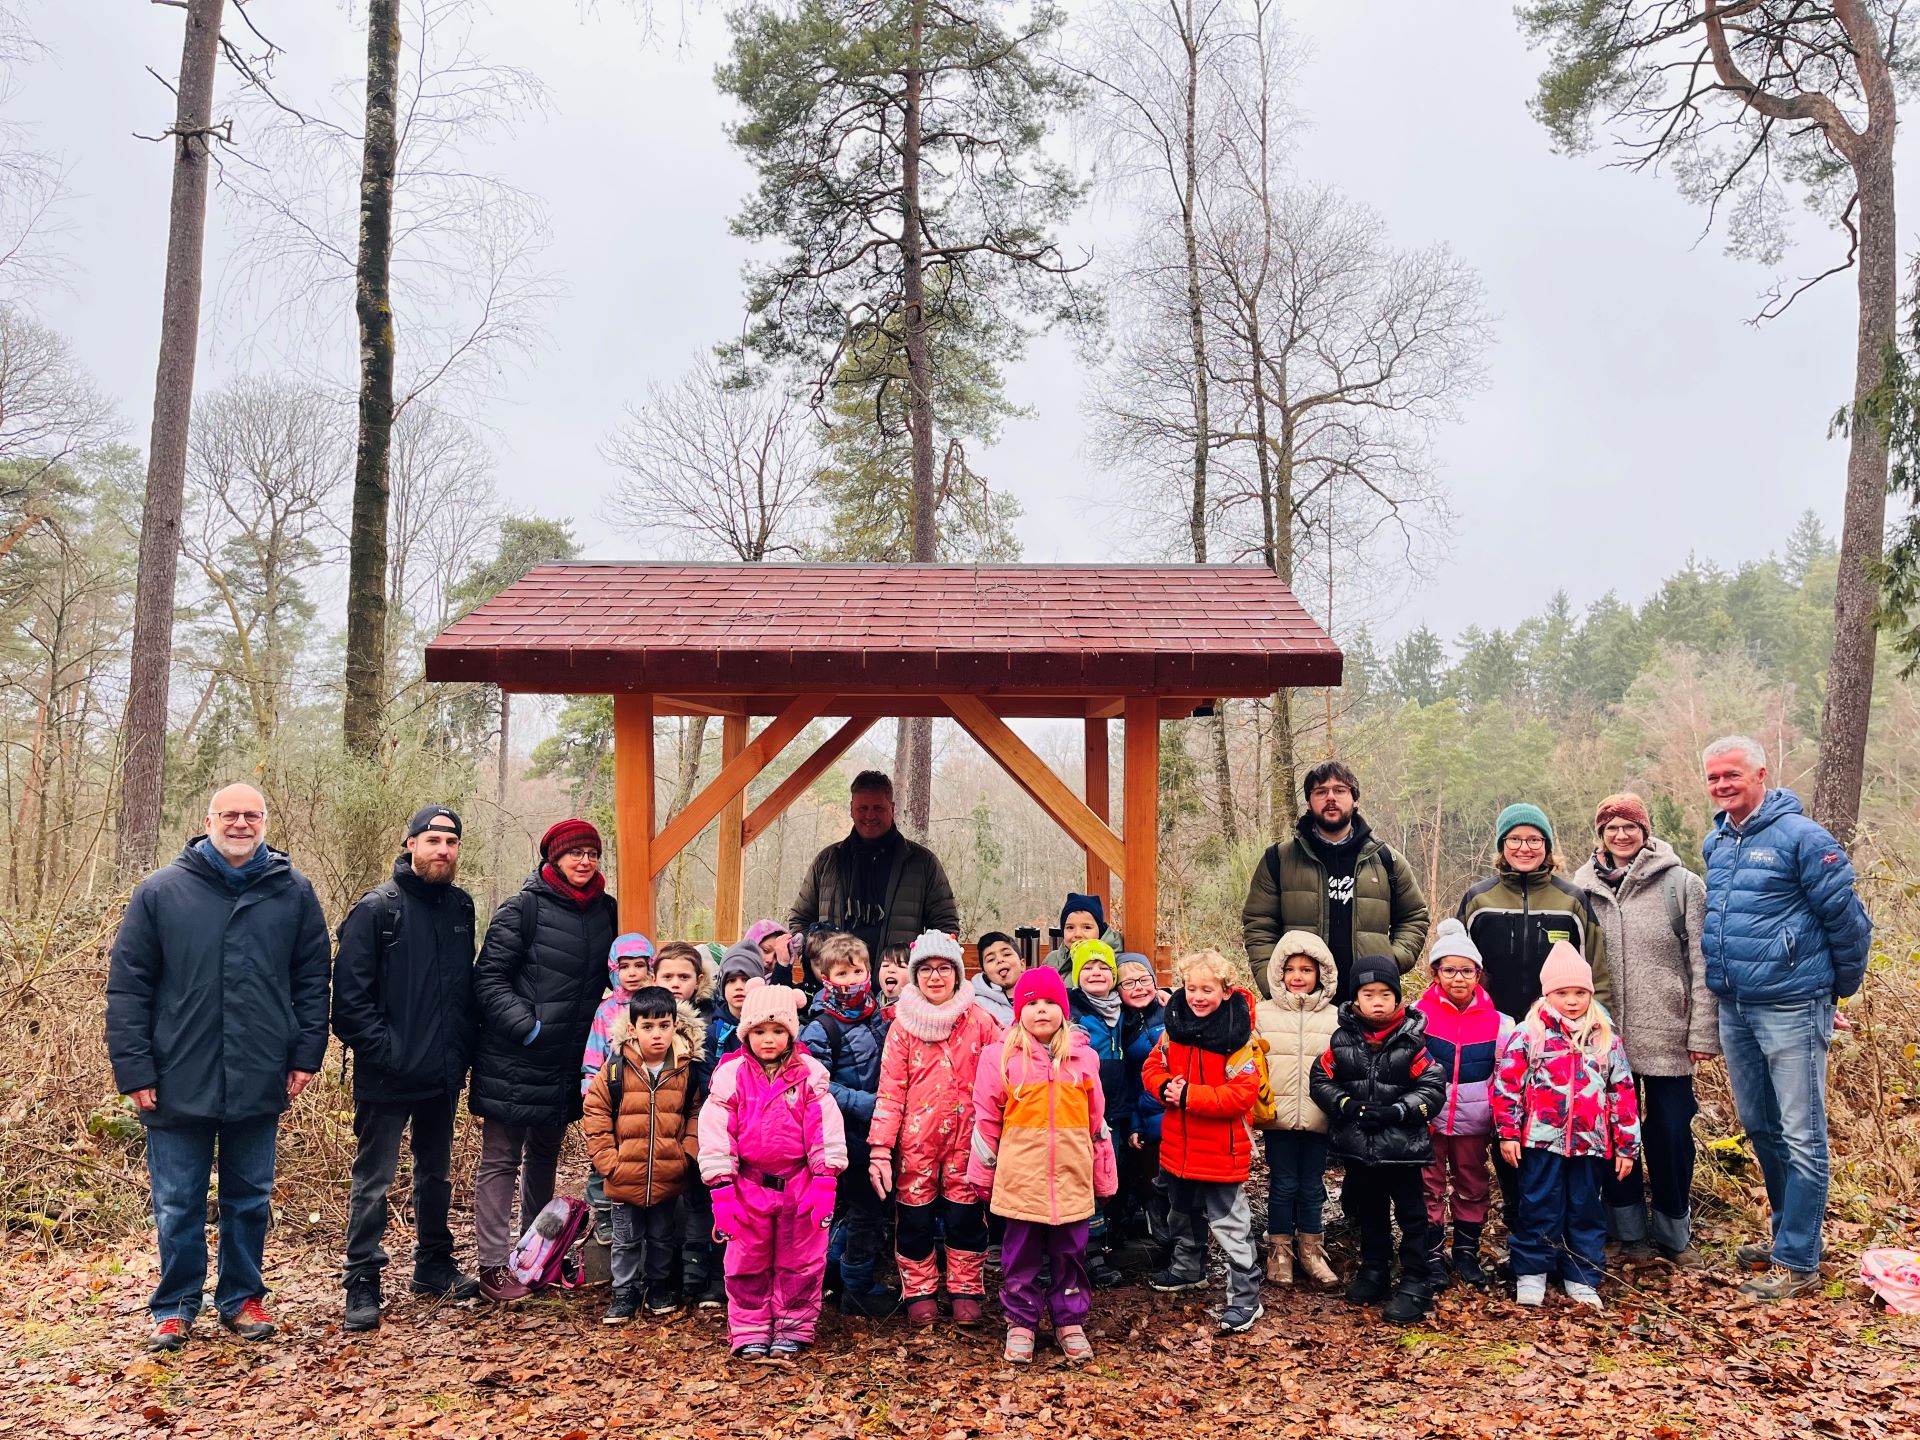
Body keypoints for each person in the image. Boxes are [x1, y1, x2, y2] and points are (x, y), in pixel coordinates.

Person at [107, 783, 331, 1352]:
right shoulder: (161, 892)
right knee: (177, 1200)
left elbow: (312, 982)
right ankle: (175, 1306)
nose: (239, 824)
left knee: (250, 1198)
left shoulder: (293, 891)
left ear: (265, 821)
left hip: (260, 1071)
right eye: (229, 814)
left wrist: (305, 1055)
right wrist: (134, 1070)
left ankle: (241, 1298)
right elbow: (129, 988)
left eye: (251, 815)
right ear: (207, 820)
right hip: (177, 1072)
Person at [1700, 735, 1872, 1301]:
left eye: (1732, 775)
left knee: (1802, 1134)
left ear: (1760, 774)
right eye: (1713, 777)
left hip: (1793, 1007)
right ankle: (1787, 1234)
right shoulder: (1716, 843)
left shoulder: (1803, 837)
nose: (1722, 785)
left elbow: (1849, 923)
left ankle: (1799, 1262)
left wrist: (1834, 994)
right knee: (1761, 1128)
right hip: (1737, 1008)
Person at [331, 805, 482, 1334]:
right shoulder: (377, 909)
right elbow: (348, 1003)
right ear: (410, 843)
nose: (443, 849)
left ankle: (433, 1263)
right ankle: (362, 1280)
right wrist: (389, 1052)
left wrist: (459, 1051)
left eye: (452, 841)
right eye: (433, 839)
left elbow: (464, 992)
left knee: (436, 1173)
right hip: (388, 1075)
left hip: (442, 1073)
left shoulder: (461, 908)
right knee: (375, 1180)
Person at [469, 818, 618, 1303]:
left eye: (592, 854)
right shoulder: (522, 908)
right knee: (501, 1158)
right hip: (516, 1055)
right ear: (553, 859)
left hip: (568, 1058)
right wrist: (529, 1027)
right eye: (575, 854)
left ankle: (535, 1254)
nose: (584, 862)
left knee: (545, 1155)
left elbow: (621, 974)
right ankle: (492, 1265)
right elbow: (488, 979)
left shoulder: (606, 912)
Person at [1571, 793, 1717, 1264]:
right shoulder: (1581, 886)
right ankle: (1628, 1231)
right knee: (1614, 1131)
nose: (1620, 834)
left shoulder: (1681, 883)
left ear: (1645, 831)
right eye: (1610, 827)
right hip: (1604, 1035)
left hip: (1668, 1029)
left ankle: (1675, 1231)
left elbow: (1701, 959)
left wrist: (1702, 1031)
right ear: (1600, 834)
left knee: (1670, 1131)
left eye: (1629, 826)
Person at [1458, 801, 1612, 1221]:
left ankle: (1561, 1223)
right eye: (1515, 839)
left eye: (1533, 839)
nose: (1524, 847)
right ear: (1501, 845)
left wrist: (1600, 1031)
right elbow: (1457, 968)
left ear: (1547, 845)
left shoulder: (1572, 900)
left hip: (1563, 1039)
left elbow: (1596, 971)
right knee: (1505, 1122)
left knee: (1555, 1126)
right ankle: (1518, 1219)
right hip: (1494, 1035)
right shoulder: (1478, 900)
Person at [968, 966, 1119, 1365]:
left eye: (1051, 1002)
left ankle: (1069, 1320)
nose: (1041, 1010)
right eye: (1032, 1003)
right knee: (1020, 1254)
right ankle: (1021, 1320)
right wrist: (983, 1178)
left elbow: (1097, 1123)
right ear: (1019, 1010)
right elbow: (985, 1121)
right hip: (1021, 1177)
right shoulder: (1000, 1058)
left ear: (1063, 1009)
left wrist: (1102, 1176)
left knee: (1071, 1253)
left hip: (1071, 1175)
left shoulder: (1083, 1058)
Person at [699, 979, 847, 1359]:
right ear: (746, 1032)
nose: (768, 1039)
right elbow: (717, 1132)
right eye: (760, 1031)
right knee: (746, 1259)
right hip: (750, 1184)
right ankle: (749, 1328)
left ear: (791, 1032)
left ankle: (794, 1325)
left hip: (800, 1182)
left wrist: (825, 1181)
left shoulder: (809, 1074)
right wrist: (721, 1191)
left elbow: (825, 1129)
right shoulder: (731, 1075)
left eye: (778, 1031)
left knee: (802, 1260)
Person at [1492, 943, 1642, 1310]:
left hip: (1591, 1143)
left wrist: (1626, 1147)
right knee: (1538, 1203)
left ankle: (1582, 1273)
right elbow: (1507, 1085)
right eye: (1562, 993)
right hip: (1541, 1141)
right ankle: (1531, 1271)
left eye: (1579, 993)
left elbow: (1622, 1092)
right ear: (1548, 994)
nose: (1572, 1001)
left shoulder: (1605, 1037)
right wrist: (1508, 1133)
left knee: (1585, 1208)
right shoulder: (1530, 1034)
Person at [866, 930, 1003, 1327]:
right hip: (916, 1145)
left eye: (944, 969)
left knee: (964, 1218)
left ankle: (965, 1289)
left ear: (958, 974)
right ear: (915, 975)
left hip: (968, 1140)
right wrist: (880, 1149)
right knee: (915, 1221)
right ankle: (920, 1290)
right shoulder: (903, 1026)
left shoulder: (979, 1021)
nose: (936, 977)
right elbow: (889, 1092)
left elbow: (1005, 1070)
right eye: (926, 970)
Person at [1309, 955, 1446, 1326]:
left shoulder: (1411, 1041)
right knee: (1371, 1211)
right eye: (1369, 994)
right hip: (1360, 1146)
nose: (1378, 1001)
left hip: (1404, 1149)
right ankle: (1375, 1270)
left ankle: (1417, 1279)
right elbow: (1320, 1081)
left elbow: (1433, 1087)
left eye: (1386, 993)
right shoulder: (1342, 1041)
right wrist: (1347, 1106)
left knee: (1412, 1215)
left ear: (1398, 999)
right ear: (1356, 999)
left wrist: (1398, 1111)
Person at [1140, 949, 1265, 1334]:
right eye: (1191, 988)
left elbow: (1241, 1096)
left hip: (1220, 1151)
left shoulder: (1241, 1038)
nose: (1197, 996)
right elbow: (1152, 1067)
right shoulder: (1172, 1029)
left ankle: (1245, 1297)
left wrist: (1189, 1096)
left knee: (1230, 1225)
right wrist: (1164, 1087)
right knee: (1181, 1212)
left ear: (1225, 991)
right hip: (1178, 1147)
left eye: (1207, 989)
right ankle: (1187, 1269)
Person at [1242, 761, 1430, 1002]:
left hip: (1367, 1004)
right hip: (1300, 1004)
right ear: (1309, 802)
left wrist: (1390, 962)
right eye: (1320, 792)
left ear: (1355, 799)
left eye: (1340, 790)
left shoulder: (1387, 860)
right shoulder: (1278, 859)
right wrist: (1274, 984)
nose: (1330, 797)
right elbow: (1259, 925)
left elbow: (1414, 917)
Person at [582, 986, 706, 1323]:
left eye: (664, 1025)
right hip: (624, 1177)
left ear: (675, 1026)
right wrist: (608, 1161)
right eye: (648, 1027)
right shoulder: (616, 1068)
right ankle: (624, 1292)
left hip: (668, 1173)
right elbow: (595, 1112)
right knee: (625, 1240)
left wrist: (686, 1153)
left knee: (662, 1237)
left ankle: (659, 1287)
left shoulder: (685, 1068)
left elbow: (696, 1112)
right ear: (633, 1028)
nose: (657, 1034)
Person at [797, 933, 898, 1318]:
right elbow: (816, 1083)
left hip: (881, 1129)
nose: (851, 978)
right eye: (842, 971)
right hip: (846, 1133)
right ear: (825, 976)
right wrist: (868, 1104)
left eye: (857, 970)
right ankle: (853, 1284)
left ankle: (842, 1275)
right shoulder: (821, 1027)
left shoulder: (877, 1015)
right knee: (860, 1208)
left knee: (871, 1207)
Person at [1410, 918, 1513, 1290]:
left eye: (1466, 970)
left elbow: (1505, 1078)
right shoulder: (1416, 1018)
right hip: (1429, 1121)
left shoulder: (1500, 1024)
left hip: (1475, 1122)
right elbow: (1407, 1068)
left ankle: (1466, 1253)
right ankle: (1432, 1255)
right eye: (1449, 970)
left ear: (1478, 973)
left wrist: (1500, 1122)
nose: (1458, 978)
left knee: (1472, 1184)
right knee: (1428, 1185)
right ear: (1435, 973)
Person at [1250, 931, 1340, 1290]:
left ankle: (1312, 1250)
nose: (1298, 976)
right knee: (1283, 1184)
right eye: (1290, 969)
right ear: (1278, 973)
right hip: (1279, 1118)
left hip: (1319, 1115)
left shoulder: (1335, 1018)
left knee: (1312, 1185)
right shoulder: (1263, 1014)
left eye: (1307, 969)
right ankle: (1279, 1250)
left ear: (1322, 974)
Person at [787, 772, 961, 955]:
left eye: (878, 808)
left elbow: (945, 926)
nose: (870, 816)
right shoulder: (827, 862)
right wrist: (818, 957)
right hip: (834, 981)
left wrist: (922, 967)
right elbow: (800, 919)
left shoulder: (922, 863)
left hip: (898, 981)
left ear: (892, 808)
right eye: (863, 808)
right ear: (851, 809)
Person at [652, 939, 724, 1305]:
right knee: (662, 1200)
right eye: (668, 976)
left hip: (701, 1118)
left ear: (699, 979)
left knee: (702, 1198)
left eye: (684, 976)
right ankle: (664, 1277)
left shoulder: (712, 1019)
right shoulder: (643, 1018)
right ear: (655, 977)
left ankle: (701, 1276)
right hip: (657, 1122)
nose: (676, 983)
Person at [580, 933, 656, 1247]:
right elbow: (593, 1056)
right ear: (614, 971)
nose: (633, 973)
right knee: (605, 1159)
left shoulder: (658, 1005)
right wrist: (591, 1092)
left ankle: (641, 1213)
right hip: (612, 1098)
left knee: (640, 1156)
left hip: (648, 1100)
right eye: (625, 967)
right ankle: (603, 1214)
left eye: (640, 965)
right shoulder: (606, 1010)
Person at [1067, 939, 1129, 1287]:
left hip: (1118, 1111)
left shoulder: (1125, 1011)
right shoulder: (1072, 1011)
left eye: (1103, 967)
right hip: (1082, 1112)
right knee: (1084, 1178)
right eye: (1088, 967)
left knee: (1108, 1177)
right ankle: (1086, 1252)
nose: (1096, 972)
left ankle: (1104, 1242)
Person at [1116, 955, 1169, 1259]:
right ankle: (1149, 1214)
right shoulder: (1121, 1025)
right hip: (1146, 1107)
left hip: (1178, 1102)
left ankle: (1178, 1227)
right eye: (1128, 983)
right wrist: (1135, 1122)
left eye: (1144, 980)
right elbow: (1132, 1082)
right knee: (1143, 1167)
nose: (1138, 988)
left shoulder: (1170, 1009)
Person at [709, 942, 765, 1064]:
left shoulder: (770, 1028)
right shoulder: (713, 1033)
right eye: (731, 980)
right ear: (722, 986)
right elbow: (707, 1078)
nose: (739, 986)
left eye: (745, 980)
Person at [1045, 892, 1122, 974]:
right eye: (1070, 927)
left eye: (1087, 927)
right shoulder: (1052, 960)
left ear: (1100, 931)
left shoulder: (1116, 962)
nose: (1078, 934)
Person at [972, 930, 1026, 1026]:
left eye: (1007, 954)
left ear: (1022, 964)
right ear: (985, 973)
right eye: (991, 959)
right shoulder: (978, 1005)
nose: (1000, 960)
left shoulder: (1040, 994)